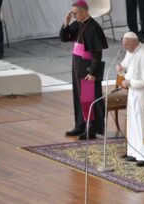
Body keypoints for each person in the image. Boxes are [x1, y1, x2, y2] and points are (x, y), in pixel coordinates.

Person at [60, 0, 108, 140]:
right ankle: (80, 126)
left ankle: (90, 129)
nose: (73, 16)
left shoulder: (94, 27)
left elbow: (97, 53)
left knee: (88, 98)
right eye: (72, 14)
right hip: (76, 63)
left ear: (84, 12)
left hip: (87, 66)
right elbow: (64, 38)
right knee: (78, 96)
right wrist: (66, 24)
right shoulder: (78, 24)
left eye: (75, 14)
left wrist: (92, 72)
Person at [116, 31, 144, 166]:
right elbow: (127, 68)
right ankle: (134, 152)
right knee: (133, 122)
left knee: (143, 124)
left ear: (135, 42)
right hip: (134, 93)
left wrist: (130, 83)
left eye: (127, 45)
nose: (125, 48)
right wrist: (121, 69)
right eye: (124, 45)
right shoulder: (131, 51)